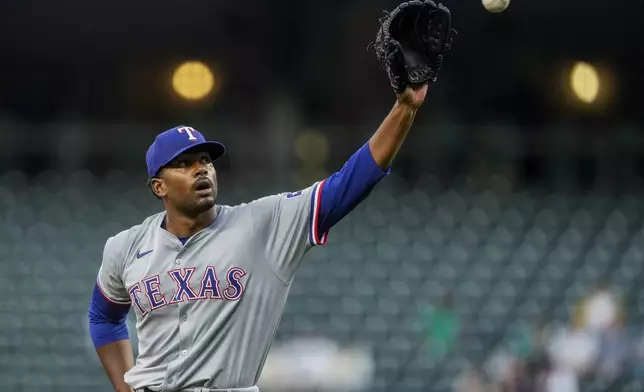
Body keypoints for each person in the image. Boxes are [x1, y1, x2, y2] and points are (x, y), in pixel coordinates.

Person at [87, 83, 429, 392]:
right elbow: (104, 316)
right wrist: (123, 385)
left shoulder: (264, 223)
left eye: (205, 160)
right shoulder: (125, 247)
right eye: (184, 163)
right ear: (159, 186)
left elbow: (351, 183)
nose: (201, 169)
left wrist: (405, 108)